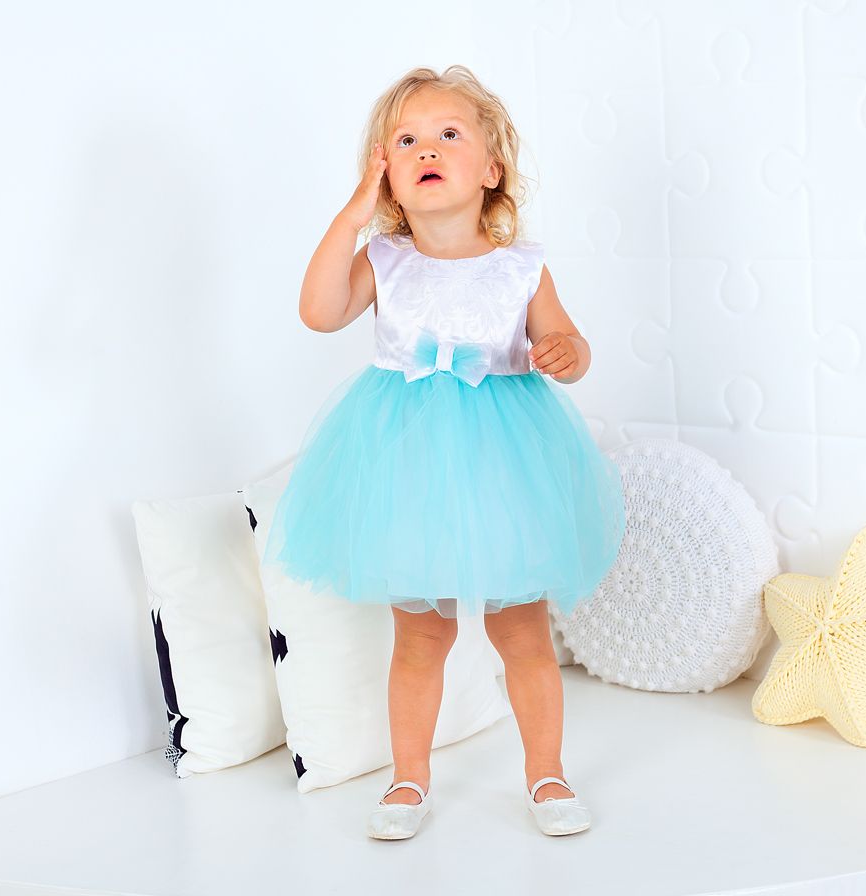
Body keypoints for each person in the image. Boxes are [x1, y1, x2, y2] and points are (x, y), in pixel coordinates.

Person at [263, 65, 626, 839]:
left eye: (448, 134)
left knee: (521, 632)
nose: (426, 148)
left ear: (491, 169)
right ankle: (409, 780)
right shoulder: (384, 260)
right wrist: (353, 215)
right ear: (388, 178)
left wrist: (565, 352)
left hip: (504, 473)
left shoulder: (521, 266)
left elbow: (568, 340)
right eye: (405, 141)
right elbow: (319, 311)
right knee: (421, 636)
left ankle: (547, 774)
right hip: (413, 475)